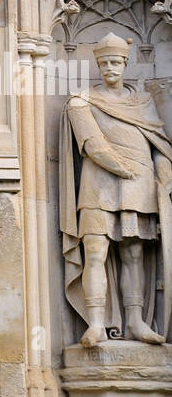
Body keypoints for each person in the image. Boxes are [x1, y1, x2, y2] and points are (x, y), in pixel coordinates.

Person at [60, 32, 172, 347]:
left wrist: (163, 166)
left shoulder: (142, 101)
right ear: (98, 65)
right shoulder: (81, 101)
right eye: (105, 63)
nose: (110, 68)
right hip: (99, 184)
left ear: (124, 64)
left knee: (134, 253)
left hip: (138, 185)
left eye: (116, 62)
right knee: (95, 250)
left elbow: (158, 141)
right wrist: (123, 167)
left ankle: (136, 321)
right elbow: (92, 144)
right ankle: (96, 323)